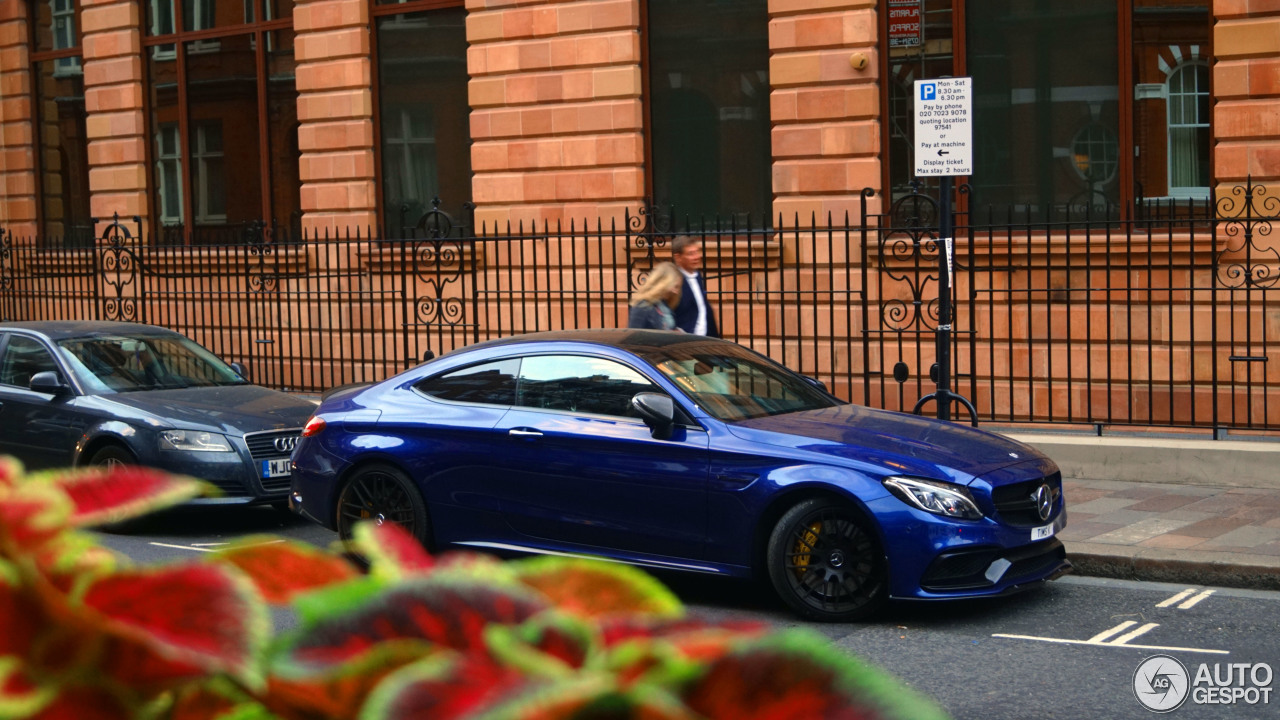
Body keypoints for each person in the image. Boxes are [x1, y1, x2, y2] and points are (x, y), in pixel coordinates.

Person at [670, 235, 718, 337]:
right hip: (682, 343)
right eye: (690, 253)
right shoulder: (673, 280)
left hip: (704, 341)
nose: (697, 257)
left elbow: (703, 309)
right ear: (678, 257)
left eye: (697, 252)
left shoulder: (697, 276)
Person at [628, 262, 682, 330]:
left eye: (678, 287)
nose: (676, 292)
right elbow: (633, 337)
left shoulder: (664, 304)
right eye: (675, 286)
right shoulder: (642, 306)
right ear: (663, 283)